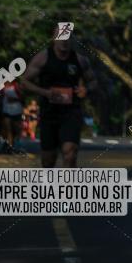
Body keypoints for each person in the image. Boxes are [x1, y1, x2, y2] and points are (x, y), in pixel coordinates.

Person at [21, 29, 98, 167]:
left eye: (67, 37)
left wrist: (86, 89)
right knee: (48, 160)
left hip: (71, 112)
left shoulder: (80, 60)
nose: (64, 41)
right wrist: (45, 92)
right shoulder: (43, 58)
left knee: (70, 153)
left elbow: (93, 81)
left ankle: (67, 187)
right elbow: (25, 82)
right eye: (60, 37)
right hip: (49, 112)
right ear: (54, 38)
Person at [0, 79, 24, 151]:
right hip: (6, 110)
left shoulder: (16, 85)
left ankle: (17, 145)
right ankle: (9, 146)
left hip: (17, 111)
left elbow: (22, 98)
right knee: (8, 129)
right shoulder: (2, 86)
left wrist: (14, 99)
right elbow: (1, 97)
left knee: (17, 129)